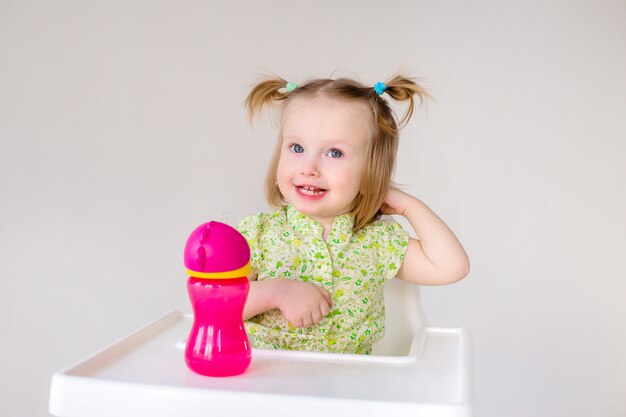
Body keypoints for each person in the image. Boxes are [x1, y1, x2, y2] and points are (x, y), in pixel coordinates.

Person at [236, 73, 469, 354]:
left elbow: (451, 267)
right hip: (266, 380)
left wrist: (410, 207)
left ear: (370, 171)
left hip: (349, 386)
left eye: (334, 153)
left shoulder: (377, 242)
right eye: (297, 148)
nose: (309, 167)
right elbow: (214, 308)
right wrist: (275, 291)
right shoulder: (257, 234)